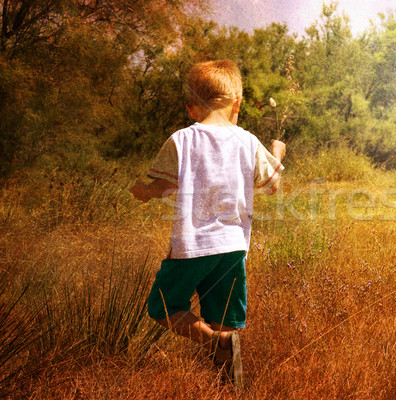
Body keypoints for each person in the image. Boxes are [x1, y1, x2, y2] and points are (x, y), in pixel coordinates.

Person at [129, 59, 286, 390]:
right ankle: (229, 386)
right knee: (224, 317)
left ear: (191, 107)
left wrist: (142, 191)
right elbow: (271, 184)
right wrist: (277, 154)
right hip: (232, 248)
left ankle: (212, 342)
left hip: (192, 245)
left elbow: (163, 188)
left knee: (164, 306)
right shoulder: (248, 141)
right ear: (237, 104)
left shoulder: (181, 140)